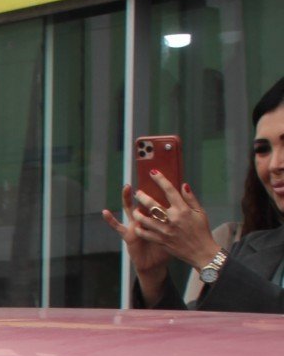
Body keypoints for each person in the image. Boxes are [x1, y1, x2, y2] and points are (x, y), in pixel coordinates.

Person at [107, 74, 284, 314]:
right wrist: (154, 277)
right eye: (262, 150)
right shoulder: (253, 248)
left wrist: (206, 256)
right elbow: (196, 341)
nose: (274, 164)